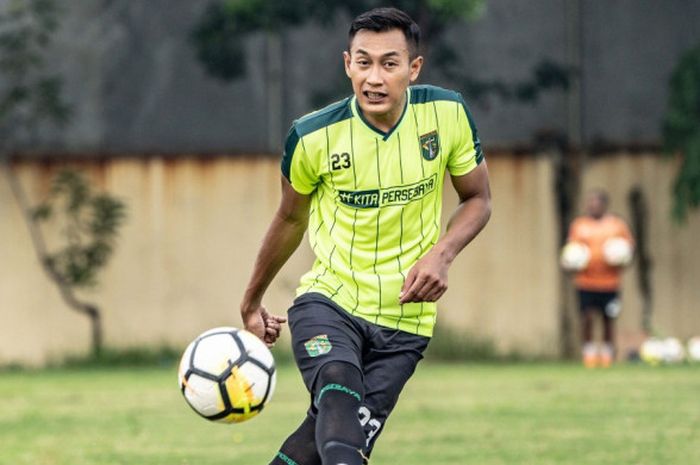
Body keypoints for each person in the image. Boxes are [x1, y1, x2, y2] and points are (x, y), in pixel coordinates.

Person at [239, 7, 491, 465]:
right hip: (329, 301)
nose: (373, 77)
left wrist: (443, 254)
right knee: (337, 392)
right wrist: (252, 300)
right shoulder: (312, 136)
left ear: (413, 69)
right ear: (347, 64)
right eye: (363, 62)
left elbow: (478, 199)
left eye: (389, 64)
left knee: (322, 443)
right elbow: (290, 221)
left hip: (406, 319)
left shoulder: (447, 114)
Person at [567, 190, 634, 368]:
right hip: (586, 282)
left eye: (596, 202)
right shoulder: (579, 225)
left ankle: (607, 355)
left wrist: (622, 258)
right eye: (590, 202)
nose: (592, 206)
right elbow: (571, 252)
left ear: (604, 205)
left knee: (608, 319)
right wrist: (571, 262)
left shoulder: (617, 225)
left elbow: (628, 252)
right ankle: (588, 355)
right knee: (587, 318)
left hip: (610, 284)